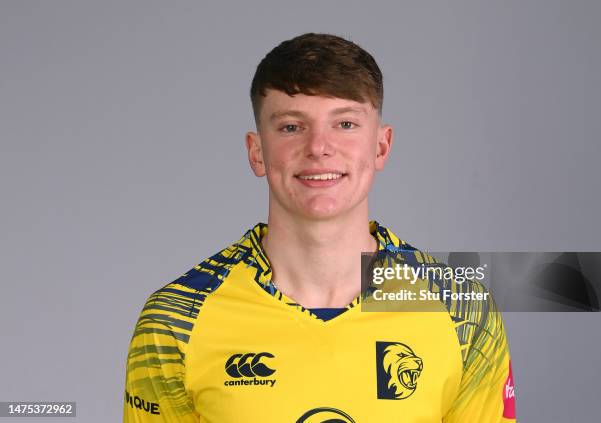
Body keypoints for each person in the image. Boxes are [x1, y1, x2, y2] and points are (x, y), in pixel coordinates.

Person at [123, 32, 517, 422]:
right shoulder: (175, 320)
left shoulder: (463, 310)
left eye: (345, 124)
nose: (318, 148)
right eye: (292, 127)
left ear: (381, 147)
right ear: (256, 152)